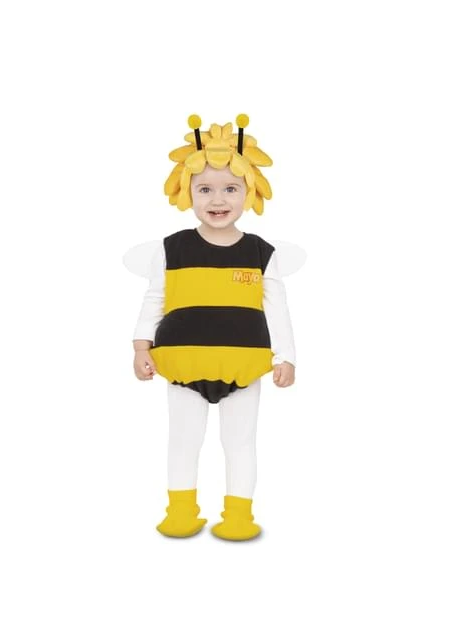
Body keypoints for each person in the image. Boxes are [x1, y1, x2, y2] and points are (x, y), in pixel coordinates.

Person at [131, 115, 296, 541]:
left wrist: (286, 358)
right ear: (186, 192)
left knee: (240, 443)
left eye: (230, 189)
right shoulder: (171, 248)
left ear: (249, 192)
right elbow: (154, 298)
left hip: (244, 368)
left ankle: (238, 516)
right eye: (205, 189)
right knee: (183, 442)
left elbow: (277, 308)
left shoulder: (261, 252)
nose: (217, 199)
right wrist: (141, 346)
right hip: (182, 366)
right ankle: (181, 512)